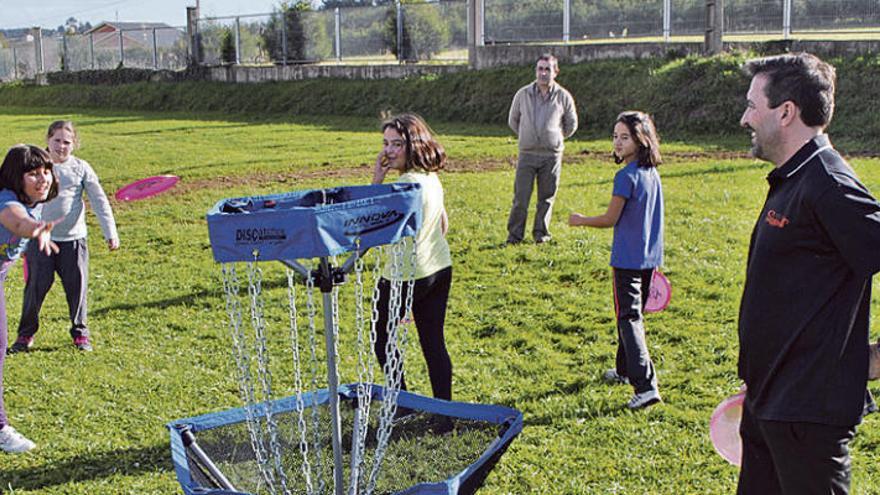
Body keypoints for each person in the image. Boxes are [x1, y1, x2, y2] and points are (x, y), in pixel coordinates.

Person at [735, 53, 880, 495]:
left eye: (752, 105)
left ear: (786, 112)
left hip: (808, 416)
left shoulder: (828, 182)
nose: (745, 118)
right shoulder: (793, 177)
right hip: (767, 405)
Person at [568, 111, 663, 410]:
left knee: (629, 318)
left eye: (625, 137)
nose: (618, 143)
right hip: (650, 260)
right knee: (631, 315)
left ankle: (646, 386)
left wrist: (582, 220)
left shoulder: (626, 177)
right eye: (615, 136)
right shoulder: (653, 175)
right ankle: (624, 370)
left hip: (626, 263)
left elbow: (611, 219)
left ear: (641, 140)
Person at [8, 121, 119, 354]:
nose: (61, 146)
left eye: (67, 142)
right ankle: (25, 335)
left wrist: (110, 232)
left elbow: (99, 200)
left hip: (73, 241)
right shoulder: (36, 165)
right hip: (39, 240)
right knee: (35, 288)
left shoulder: (81, 167)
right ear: (47, 140)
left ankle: (80, 333)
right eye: (56, 140)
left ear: (74, 144)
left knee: (77, 288)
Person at [371, 113, 453, 406]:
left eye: (397, 144)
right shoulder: (431, 176)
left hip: (405, 275)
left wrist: (377, 179)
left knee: (381, 338)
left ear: (413, 144)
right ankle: (445, 413)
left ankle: (402, 404)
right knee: (433, 344)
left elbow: (374, 225)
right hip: (439, 267)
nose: (388, 151)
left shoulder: (404, 183)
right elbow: (443, 224)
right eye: (385, 144)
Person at [0, 145, 59, 452]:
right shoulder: (8, 202)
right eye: (33, 173)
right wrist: (36, 229)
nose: (43, 179)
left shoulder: (33, 202)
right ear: (15, 177)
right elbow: (17, 222)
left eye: (46, 172)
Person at [506, 53, 578, 245]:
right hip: (527, 154)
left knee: (546, 198)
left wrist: (554, 137)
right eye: (540, 68)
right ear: (535, 70)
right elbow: (513, 121)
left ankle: (541, 235)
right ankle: (514, 236)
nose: (543, 73)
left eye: (548, 69)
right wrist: (527, 135)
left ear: (556, 72)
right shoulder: (523, 94)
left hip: (551, 156)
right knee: (521, 199)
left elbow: (571, 124)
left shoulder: (563, 97)